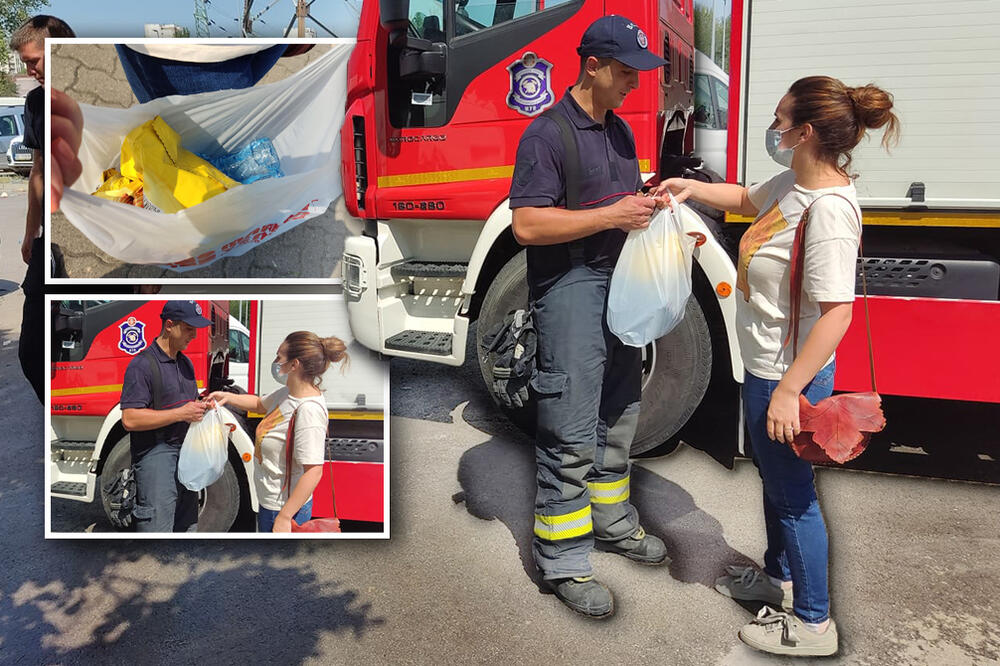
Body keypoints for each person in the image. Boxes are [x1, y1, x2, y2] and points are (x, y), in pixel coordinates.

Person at [653, 76, 899, 656]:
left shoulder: (829, 211)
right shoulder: (794, 183)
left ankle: (813, 623)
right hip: (768, 368)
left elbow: (837, 314)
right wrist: (688, 188)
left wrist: (790, 389)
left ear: (806, 132)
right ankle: (778, 580)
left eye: (781, 116)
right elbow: (744, 199)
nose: (773, 123)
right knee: (777, 486)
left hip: (791, 376)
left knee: (795, 499)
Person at [508, 15, 670, 618]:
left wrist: (652, 204)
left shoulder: (620, 133)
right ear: (593, 67)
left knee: (620, 415)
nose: (634, 83)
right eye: (626, 72)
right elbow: (527, 224)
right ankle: (564, 562)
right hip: (571, 287)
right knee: (570, 432)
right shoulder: (546, 136)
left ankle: (612, 523)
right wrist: (611, 217)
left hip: (620, 286)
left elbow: (620, 202)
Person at [209, 331, 348, 533]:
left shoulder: (308, 411)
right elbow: (258, 404)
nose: (275, 362)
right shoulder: (288, 394)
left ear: (294, 364)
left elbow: (314, 471)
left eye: (279, 357)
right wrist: (226, 397)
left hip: (283, 510)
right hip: (271, 503)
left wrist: (284, 517)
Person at [9, 15, 76, 401]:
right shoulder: (35, 102)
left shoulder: (91, 92)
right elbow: (37, 170)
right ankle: (53, 409)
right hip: (52, 237)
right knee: (32, 349)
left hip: (104, 236)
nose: (29, 69)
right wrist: (30, 234)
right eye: (25, 62)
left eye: (34, 60)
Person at [120, 301, 213, 532]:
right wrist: (181, 413)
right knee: (157, 532)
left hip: (187, 456)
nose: (194, 335)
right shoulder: (142, 365)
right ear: (169, 325)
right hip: (156, 457)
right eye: (189, 328)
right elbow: (130, 419)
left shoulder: (185, 363)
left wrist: (203, 406)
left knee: (187, 528)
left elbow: (186, 405)